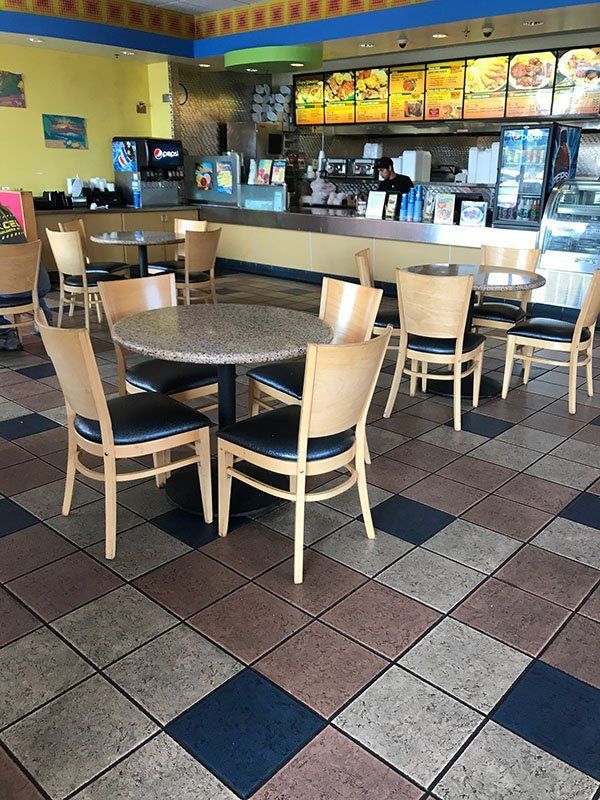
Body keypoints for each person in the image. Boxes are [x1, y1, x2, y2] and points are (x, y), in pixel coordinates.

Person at [0, 202, 52, 351]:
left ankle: (4, 334)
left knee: (12, 278)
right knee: (20, 276)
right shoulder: (6, 213)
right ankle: (44, 319)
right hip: (37, 285)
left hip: (10, 291)